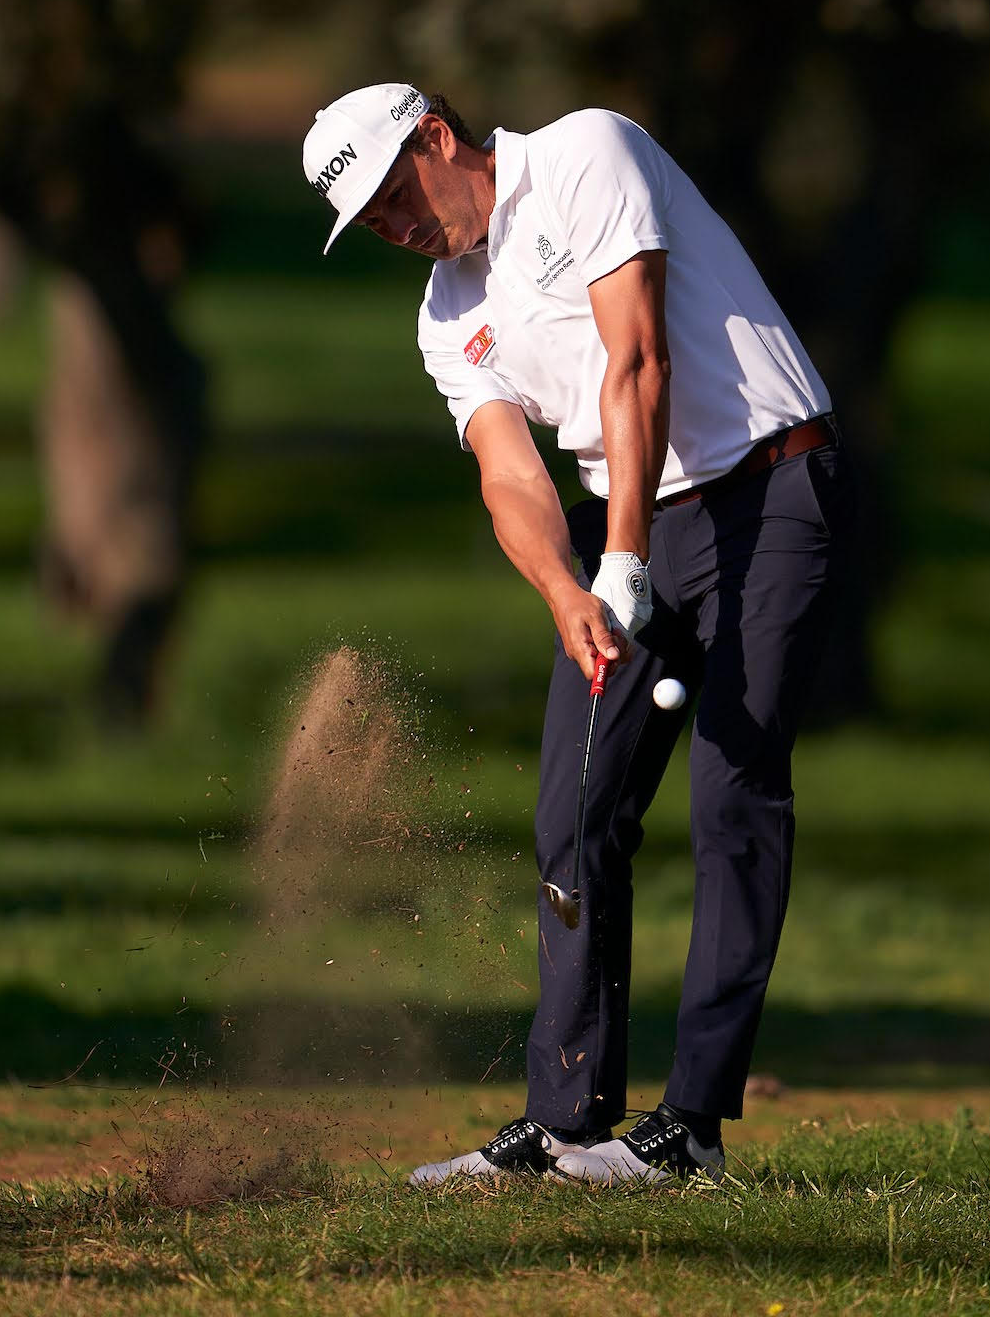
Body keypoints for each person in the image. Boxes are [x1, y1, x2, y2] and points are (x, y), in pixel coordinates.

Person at [300, 82, 850, 1186]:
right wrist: (569, 590)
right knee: (576, 811)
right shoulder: (447, 314)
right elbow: (510, 474)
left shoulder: (587, 154)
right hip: (627, 527)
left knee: (734, 791)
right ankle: (565, 1122)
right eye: (371, 225)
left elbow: (635, 361)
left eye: (396, 194)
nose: (396, 229)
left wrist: (626, 559)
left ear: (437, 138)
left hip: (768, 486)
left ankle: (690, 1128)